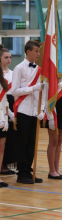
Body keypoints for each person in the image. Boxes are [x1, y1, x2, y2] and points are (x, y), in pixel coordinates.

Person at [11, 40, 45, 184]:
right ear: (28, 51)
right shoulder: (19, 68)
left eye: (38, 51)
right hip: (24, 110)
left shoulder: (39, 69)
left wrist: (42, 109)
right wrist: (32, 88)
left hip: (35, 111)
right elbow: (14, 91)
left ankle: (29, 171)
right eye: (36, 51)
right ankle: (21, 173)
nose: (38, 54)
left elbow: (43, 92)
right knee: (22, 143)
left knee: (32, 143)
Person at [43, 54, 62, 180]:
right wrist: (49, 114)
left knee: (60, 141)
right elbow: (47, 96)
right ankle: (51, 170)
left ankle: (57, 169)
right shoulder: (51, 77)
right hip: (55, 109)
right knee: (53, 141)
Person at [0, 46, 17, 175]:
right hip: (3, 105)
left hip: (10, 103)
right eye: (6, 57)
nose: (9, 59)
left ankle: (5, 164)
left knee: (8, 139)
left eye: (10, 57)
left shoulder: (12, 73)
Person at [0, 62, 9, 187]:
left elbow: (5, 101)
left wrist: (6, 117)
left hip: (2, 118)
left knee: (1, 148)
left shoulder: (3, 81)